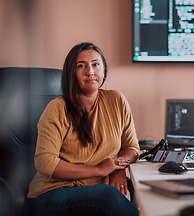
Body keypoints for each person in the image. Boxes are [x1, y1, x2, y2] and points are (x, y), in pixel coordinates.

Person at [25, 42, 140, 216]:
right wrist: (100, 170)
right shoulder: (57, 109)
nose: (90, 71)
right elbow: (45, 163)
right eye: (81, 66)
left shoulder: (117, 100)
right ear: (72, 74)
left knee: (130, 193)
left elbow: (132, 147)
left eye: (96, 64)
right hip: (51, 193)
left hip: (96, 191)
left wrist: (118, 167)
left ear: (104, 70)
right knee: (108, 196)